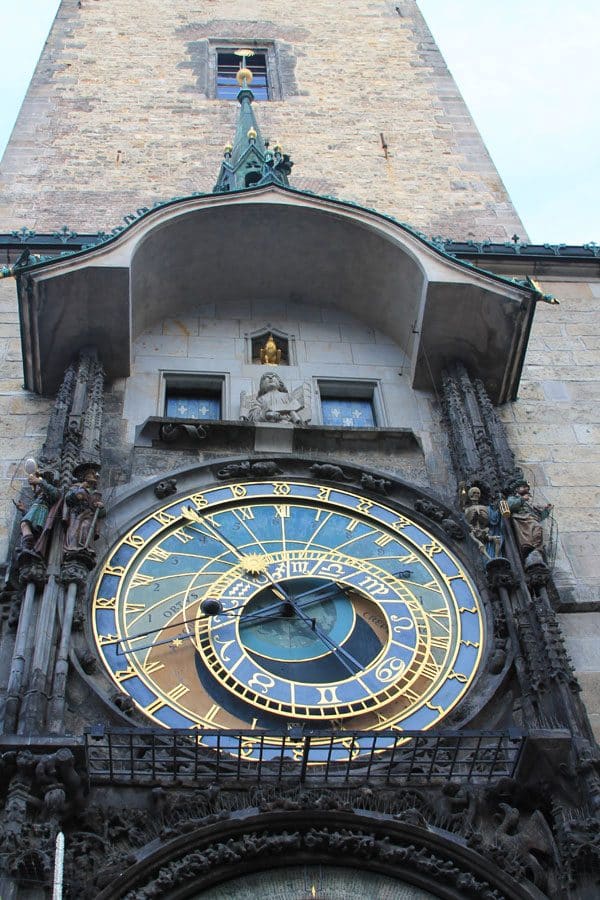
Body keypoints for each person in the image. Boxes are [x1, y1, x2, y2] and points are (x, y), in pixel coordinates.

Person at [15, 470, 61, 556]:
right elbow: (30, 513)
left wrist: (39, 481)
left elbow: (55, 494)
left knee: (26, 525)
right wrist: (23, 510)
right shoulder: (37, 498)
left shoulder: (50, 493)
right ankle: (28, 546)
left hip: (41, 511)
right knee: (26, 526)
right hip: (36, 511)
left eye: (38, 486)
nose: (37, 488)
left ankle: (28, 546)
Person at [506, 480, 552, 559]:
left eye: (527, 488)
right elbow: (509, 506)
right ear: (517, 489)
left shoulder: (529, 502)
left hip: (531, 519)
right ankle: (529, 548)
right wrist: (522, 499)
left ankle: (537, 549)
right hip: (521, 520)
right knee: (535, 528)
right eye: (523, 487)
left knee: (538, 528)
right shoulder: (512, 498)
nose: (526, 488)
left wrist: (546, 510)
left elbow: (538, 516)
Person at [63, 467, 104, 553]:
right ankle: (72, 546)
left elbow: (101, 514)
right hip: (76, 513)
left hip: (88, 514)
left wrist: (100, 507)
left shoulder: (96, 493)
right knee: (74, 528)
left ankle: (85, 546)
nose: (94, 476)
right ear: (85, 477)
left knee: (86, 526)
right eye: (91, 474)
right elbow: (68, 500)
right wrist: (78, 493)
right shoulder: (76, 487)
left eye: (94, 474)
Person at [462, 485, 503, 559]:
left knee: (497, 539)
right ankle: (489, 558)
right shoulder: (467, 509)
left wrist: (499, 507)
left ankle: (496, 557)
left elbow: (492, 518)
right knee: (480, 545)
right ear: (470, 495)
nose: (476, 495)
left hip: (485, 531)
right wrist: (472, 517)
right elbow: (468, 522)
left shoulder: (485, 508)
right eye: (474, 493)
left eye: (478, 493)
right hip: (475, 532)